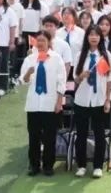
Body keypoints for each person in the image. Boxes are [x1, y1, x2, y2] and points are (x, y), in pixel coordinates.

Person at [20, 30, 66, 176]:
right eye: (38, 40)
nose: (40, 43)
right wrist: (28, 73)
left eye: (43, 41)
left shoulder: (56, 58)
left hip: (50, 103)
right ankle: (34, 165)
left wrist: (59, 102)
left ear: (49, 42)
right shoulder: (30, 59)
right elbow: (22, 81)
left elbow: (61, 82)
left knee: (49, 137)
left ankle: (48, 165)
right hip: (34, 104)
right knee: (33, 136)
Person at [72, 26, 111, 178]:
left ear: (100, 38)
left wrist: (107, 100)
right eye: (91, 35)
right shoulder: (80, 55)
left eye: (96, 35)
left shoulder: (105, 55)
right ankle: (81, 165)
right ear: (87, 37)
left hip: (99, 100)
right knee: (81, 134)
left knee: (99, 134)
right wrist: (81, 76)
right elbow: (75, 80)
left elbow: (109, 80)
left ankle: (98, 166)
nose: (94, 37)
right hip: (82, 100)